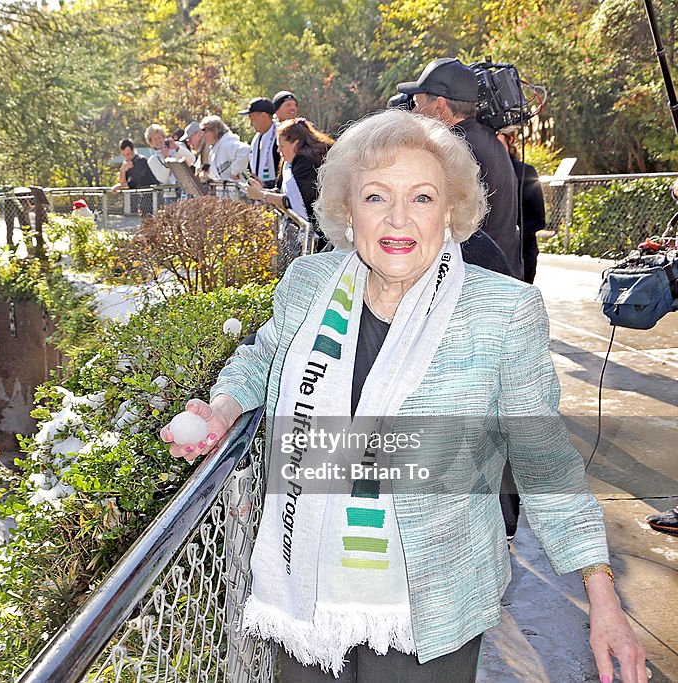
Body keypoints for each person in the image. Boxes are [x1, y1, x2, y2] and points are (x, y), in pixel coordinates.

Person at [161, 109, 646, 682]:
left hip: (431, 609)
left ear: (450, 210)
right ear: (347, 210)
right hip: (306, 588)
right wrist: (222, 409)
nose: (398, 219)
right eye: (375, 197)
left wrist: (602, 595)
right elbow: (262, 357)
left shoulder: (502, 313)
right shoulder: (311, 285)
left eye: (421, 197)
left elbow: (544, 461)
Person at [398, 58, 523, 280]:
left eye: (418, 104)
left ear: (440, 106)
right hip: (501, 273)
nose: (415, 111)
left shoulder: (453, 150)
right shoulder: (489, 140)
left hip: (475, 279)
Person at [246, 117, 333, 240]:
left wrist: (262, 195)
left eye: (281, 146)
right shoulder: (288, 163)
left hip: (321, 233)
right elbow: (281, 190)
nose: (278, 150)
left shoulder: (308, 163)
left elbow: (295, 200)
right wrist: (263, 189)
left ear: (296, 143)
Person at [498, 127, 546, 284]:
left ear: (510, 139)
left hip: (522, 254)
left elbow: (539, 219)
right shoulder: (481, 169)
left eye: (496, 136)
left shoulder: (526, 172)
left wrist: (513, 232)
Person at [241, 97, 281, 189]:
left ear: (263, 115)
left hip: (276, 194)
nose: (251, 123)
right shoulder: (257, 139)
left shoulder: (281, 136)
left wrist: (266, 185)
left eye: (252, 117)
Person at [199, 115, 251, 183]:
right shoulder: (215, 148)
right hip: (225, 190)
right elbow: (220, 172)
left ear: (215, 130)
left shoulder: (227, 143)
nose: (203, 135)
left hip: (237, 190)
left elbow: (245, 150)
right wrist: (208, 174)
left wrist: (234, 173)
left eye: (205, 130)